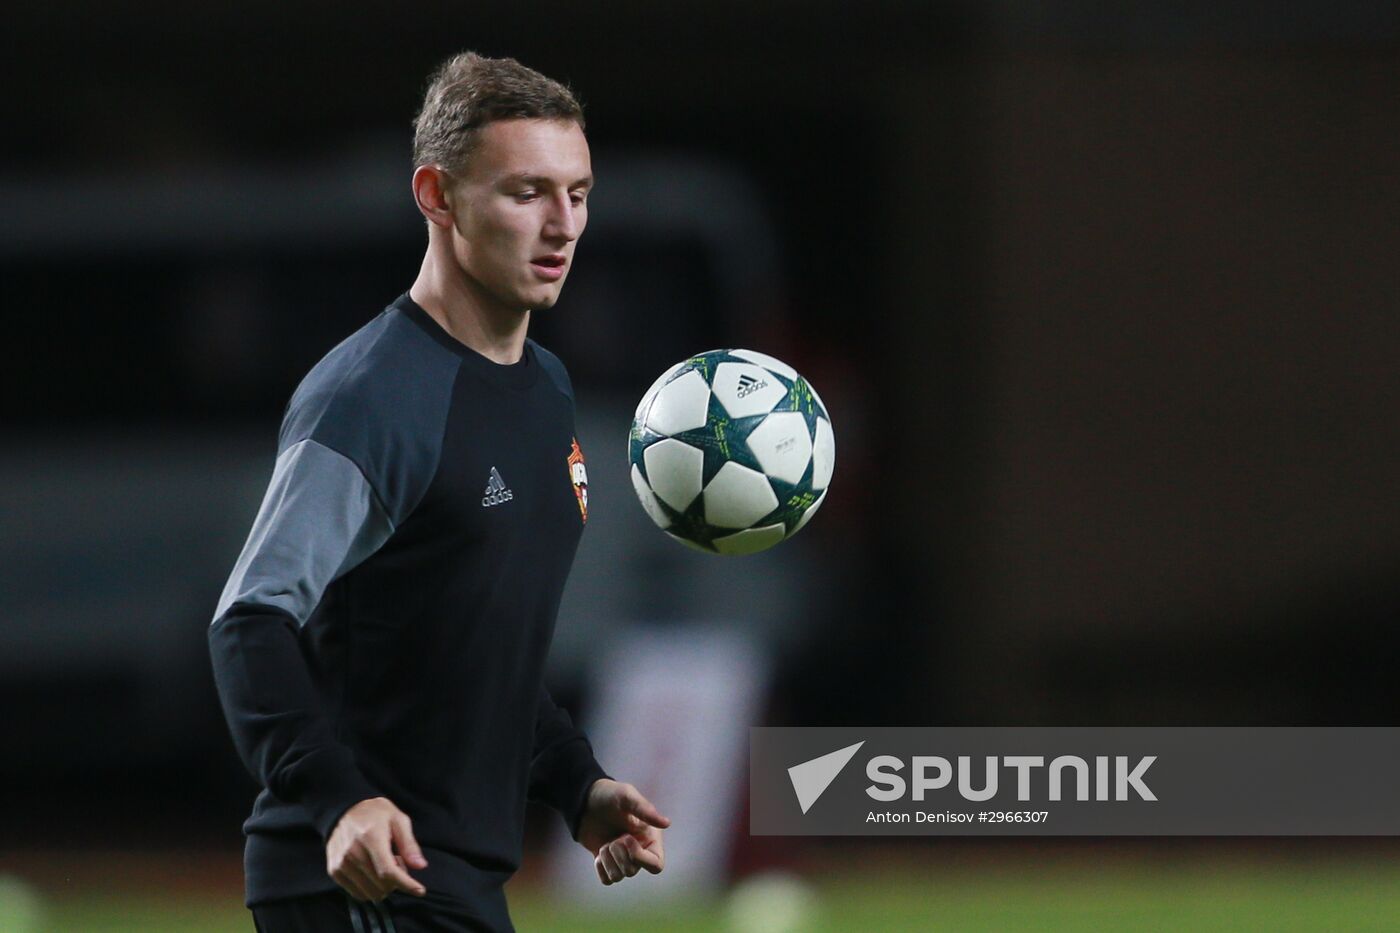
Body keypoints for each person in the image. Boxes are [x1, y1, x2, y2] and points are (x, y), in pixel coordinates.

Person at [209, 51, 669, 933]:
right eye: (527, 192)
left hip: (455, 874)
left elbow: (474, 636)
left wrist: (578, 782)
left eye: (579, 192)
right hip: (361, 881)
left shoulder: (545, 390)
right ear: (438, 194)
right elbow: (250, 619)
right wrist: (341, 803)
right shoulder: (371, 397)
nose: (562, 224)